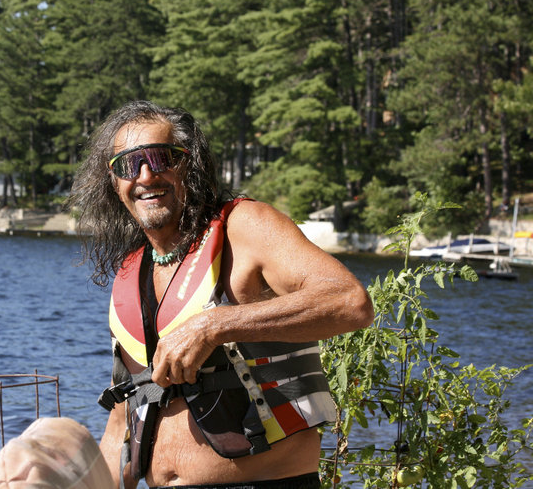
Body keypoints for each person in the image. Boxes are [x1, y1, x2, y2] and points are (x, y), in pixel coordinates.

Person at [67, 101, 374, 489]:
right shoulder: (133, 270)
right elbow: (126, 416)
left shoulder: (245, 227)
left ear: (189, 165)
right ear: (114, 183)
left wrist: (215, 325)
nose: (146, 175)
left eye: (161, 158)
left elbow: (349, 301)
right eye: (128, 165)